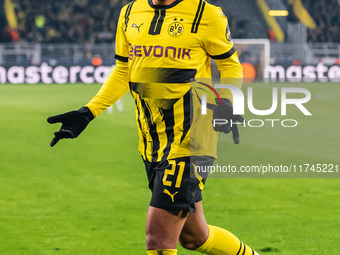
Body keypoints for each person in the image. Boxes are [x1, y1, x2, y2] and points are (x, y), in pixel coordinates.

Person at [48, 0, 260, 254]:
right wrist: (88, 112)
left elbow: (230, 65)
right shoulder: (129, 13)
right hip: (151, 141)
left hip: (190, 142)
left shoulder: (206, 14)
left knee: (158, 240)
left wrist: (225, 102)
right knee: (195, 237)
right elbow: (123, 70)